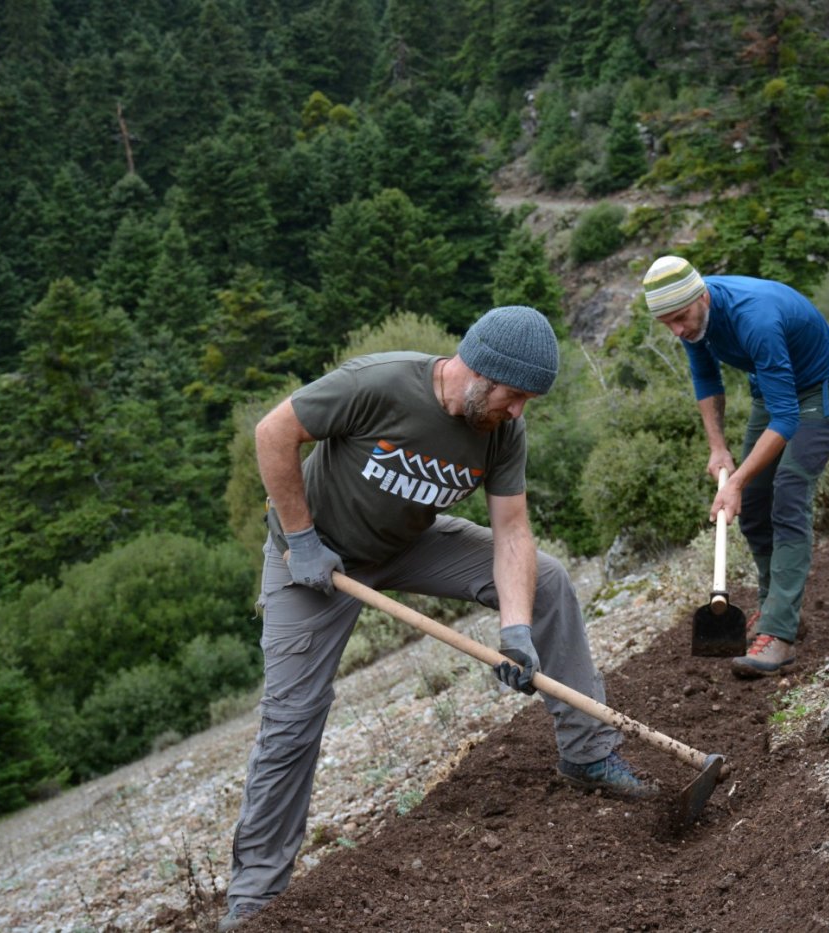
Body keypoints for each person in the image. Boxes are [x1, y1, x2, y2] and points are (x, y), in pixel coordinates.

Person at [223, 305, 657, 930]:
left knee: (550, 582)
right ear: (480, 371)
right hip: (312, 560)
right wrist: (302, 536)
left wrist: (515, 627)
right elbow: (273, 432)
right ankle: (254, 900)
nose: (518, 412)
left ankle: (588, 754)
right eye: (514, 397)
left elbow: (513, 531)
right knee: (293, 720)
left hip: (406, 544)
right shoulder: (378, 384)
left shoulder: (501, 431)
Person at [641, 256, 829, 678]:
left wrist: (736, 480)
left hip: (819, 392)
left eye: (680, 318)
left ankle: (779, 635)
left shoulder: (754, 318)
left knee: (789, 497)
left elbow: (787, 420)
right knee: (755, 507)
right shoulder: (690, 317)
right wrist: (718, 449)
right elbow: (706, 379)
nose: (678, 330)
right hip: (772, 391)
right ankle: (777, 608)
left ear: (701, 297)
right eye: (667, 323)